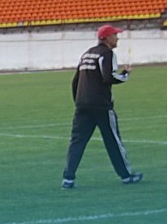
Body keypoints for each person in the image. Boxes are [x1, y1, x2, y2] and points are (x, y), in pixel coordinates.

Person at [61, 25, 142, 189]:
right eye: (115, 35)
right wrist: (125, 74)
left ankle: (68, 178)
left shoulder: (87, 54)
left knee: (77, 141)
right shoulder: (107, 53)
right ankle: (126, 176)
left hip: (82, 105)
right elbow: (108, 77)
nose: (117, 38)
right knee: (113, 140)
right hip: (101, 106)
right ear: (107, 38)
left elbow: (75, 81)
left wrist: (79, 101)